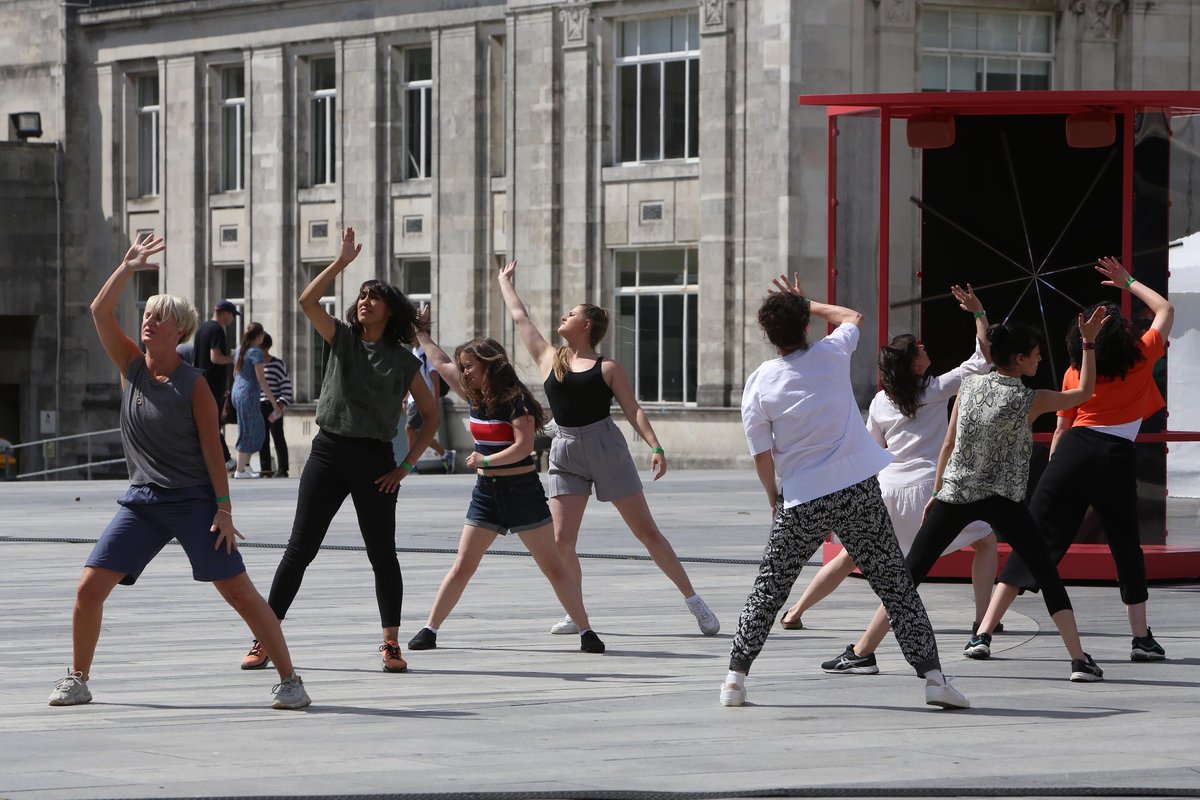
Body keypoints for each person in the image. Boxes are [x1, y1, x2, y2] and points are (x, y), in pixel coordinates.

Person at [49, 233, 309, 710]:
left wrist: (224, 511)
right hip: (142, 501)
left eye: (158, 317)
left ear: (179, 330)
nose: (148, 321)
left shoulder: (195, 386)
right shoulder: (131, 366)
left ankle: (291, 680)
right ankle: (77, 679)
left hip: (193, 502)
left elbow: (213, 452)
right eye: (146, 314)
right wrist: (128, 267)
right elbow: (99, 311)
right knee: (88, 589)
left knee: (239, 593)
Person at [822, 308, 1111, 684]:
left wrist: (937, 491)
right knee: (1047, 575)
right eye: (1037, 354)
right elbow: (1085, 392)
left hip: (955, 493)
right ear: (1019, 359)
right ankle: (1079, 660)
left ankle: (863, 652)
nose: (1040, 359)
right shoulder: (1031, 399)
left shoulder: (971, 387)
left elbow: (948, 444)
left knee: (909, 575)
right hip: (1005, 500)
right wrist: (1087, 343)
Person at [721, 273, 967, 710]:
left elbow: (762, 455)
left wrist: (774, 499)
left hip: (803, 495)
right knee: (895, 585)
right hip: (857, 488)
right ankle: (933, 677)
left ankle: (735, 679)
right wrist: (807, 302)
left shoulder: (759, 382)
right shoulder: (831, 353)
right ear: (805, 327)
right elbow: (852, 316)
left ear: (768, 335)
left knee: (770, 587)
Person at [240, 227, 439, 674]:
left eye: (374, 297)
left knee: (382, 554)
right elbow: (307, 301)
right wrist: (340, 263)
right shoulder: (342, 338)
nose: (365, 301)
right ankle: (265, 638)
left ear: (391, 309)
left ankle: (391, 643)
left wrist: (405, 466)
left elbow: (431, 417)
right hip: (328, 454)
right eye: (362, 295)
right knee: (299, 549)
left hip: (375, 462)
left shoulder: (403, 360)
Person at [497, 260, 719, 637]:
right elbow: (520, 318)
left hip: (605, 446)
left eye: (571, 314)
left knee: (646, 532)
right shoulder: (550, 359)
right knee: (561, 540)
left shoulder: (608, 367)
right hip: (565, 449)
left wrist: (656, 447)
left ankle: (694, 600)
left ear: (586, 325)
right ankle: (576, 613)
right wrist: (505, 281)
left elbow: (633, 409)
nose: (563, 317)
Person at [970, 256, 1173, 662]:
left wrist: (1054, 472)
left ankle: (983, 633)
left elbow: (1062, 429)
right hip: (1115, 455)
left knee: (1034, 541)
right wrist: (1127, 281)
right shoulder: (1142, 354)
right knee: (1125, 545)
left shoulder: (1076, 372)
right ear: (1124, 336)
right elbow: (1165, 309)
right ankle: (1141, 639)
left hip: (1074, 452)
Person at [780, 284, 998, 634]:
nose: (924, 347)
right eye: (918, 348)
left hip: (888, 491)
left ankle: (795, 611)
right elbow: (983, 359)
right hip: (929, 490)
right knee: (985, 541)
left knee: (850, 556)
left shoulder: (881, 401)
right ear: (913, 364)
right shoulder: (936, 389)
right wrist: (979, 314)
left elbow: (868, 452)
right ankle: (983, 620)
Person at [406, 320, 605, 654]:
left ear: (489, 364)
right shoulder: (473, 395)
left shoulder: (517, 402)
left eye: (469, 366)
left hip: (521, 492)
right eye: (463, 367)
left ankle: (586, 631)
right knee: (463, 564)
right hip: (486, 494)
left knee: (553, 567)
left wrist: (484, 461)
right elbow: (440, 362)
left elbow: (523, 447)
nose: (464, 372)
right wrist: (421, 333)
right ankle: (430, 629)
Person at [231, 322, 283, 479]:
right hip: (248, 395)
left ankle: (245, 466)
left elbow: (235, 373)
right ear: (259, 335)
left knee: (252, 427)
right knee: (248, 429)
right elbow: (262, 380)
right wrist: (274, 404)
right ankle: (240, 470)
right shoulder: (255, 352)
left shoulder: (240, 350)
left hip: (238, 392)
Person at [193, 299, 239, 470]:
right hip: (212, 384)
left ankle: (210, 460)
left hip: (199, 381)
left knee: (204, 423)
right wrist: (233, 359)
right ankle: (226, 459)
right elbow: (215, 357)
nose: (233, 319)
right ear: (225, 313)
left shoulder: (202, 329)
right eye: (233, 315)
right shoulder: (217, 329)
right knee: (212, 424)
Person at [401, 344, 454, 473]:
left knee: (409, 428)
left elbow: (435, 379)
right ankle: (445, 454)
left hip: (422, 398)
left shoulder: (425, 354)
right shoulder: (414, 351)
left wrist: (434, 403)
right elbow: (410, 379)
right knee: (419, 433)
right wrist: (405, 399)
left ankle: (411, 464)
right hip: (413, 399)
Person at [258, 332, 293, 478]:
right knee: (262, 438)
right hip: (259, 406)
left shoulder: (277, 364)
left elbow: (286, 385)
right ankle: (265, 470)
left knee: (278, 437)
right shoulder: (255, 365)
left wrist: (281, 403)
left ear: (267, 348)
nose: (260, 351)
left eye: (262, 348)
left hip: (274, 406)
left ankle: (283, 469)